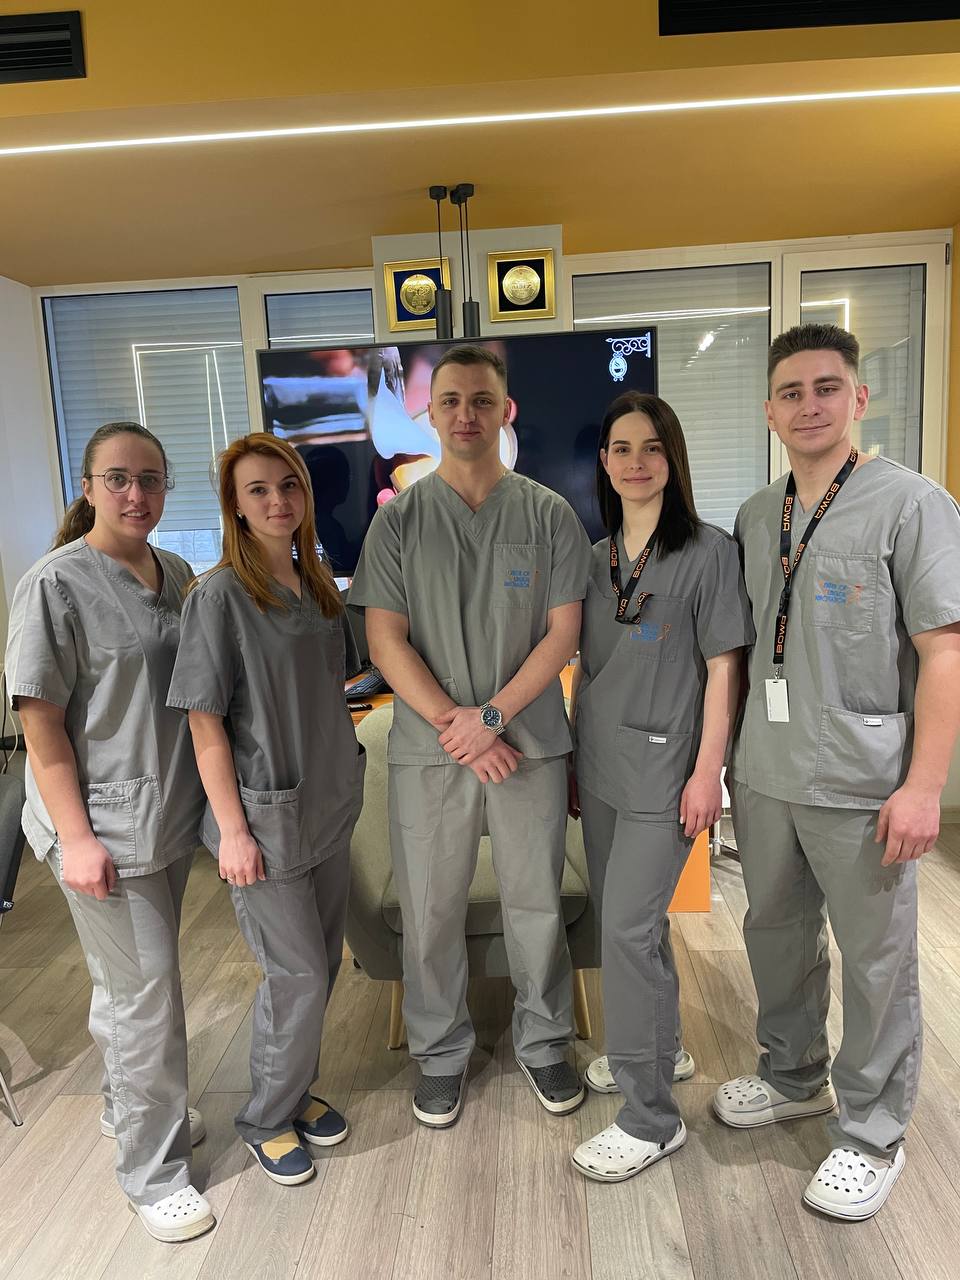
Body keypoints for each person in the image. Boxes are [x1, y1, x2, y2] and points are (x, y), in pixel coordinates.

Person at [715, 323, 960, 1221]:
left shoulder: (912, 505)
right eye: (791, 391)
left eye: (826, 388)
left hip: (864, 782)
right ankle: (793, 1076)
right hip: (767, 774)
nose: (808, 405)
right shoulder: (755, 515)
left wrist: (924, 786)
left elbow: (945, 652)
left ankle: (872, 1130)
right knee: (775, 936)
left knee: (876, 961)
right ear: (769, 410)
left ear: (858, 398)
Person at [349, 344, 592, 1127]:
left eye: (481, 400)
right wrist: (457, 725)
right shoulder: (399, 521)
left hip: (527, 746)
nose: (465, 415)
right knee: (430, 908)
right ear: (429, 413)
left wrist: (489, 719)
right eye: (450, 400)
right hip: (433, 751)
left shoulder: (548, 515)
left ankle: (544, 1041)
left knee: (536, 903)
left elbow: (562, 635)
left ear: (505, 411)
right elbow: (385, 638)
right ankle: (440, 1054)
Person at [4, 422, 213, 1243]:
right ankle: (153, 1173)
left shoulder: (178, 574)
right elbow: (41, 727)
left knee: (129, 985)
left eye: (151, 479)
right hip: (101, 827)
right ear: (88, 486)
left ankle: (128, 1104)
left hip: (162, 813)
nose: (136, 494)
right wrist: (78, 838)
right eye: (118, 478)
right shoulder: (54, 585)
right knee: (146, 996)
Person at [167, 433, 365, 1186]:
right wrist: (233, 832)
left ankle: (295, 1088)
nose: (277, 500)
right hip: (264, 820)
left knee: (323, 965)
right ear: (235, 506)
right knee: (297, 976)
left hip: (326, 805)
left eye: (289, 485)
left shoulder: (318, 587)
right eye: (258, 489)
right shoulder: (218, 596)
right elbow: (204, 721)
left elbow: (340, 683)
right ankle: (264, 1118)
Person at [568, 392, 753, 1183]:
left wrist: (710, 773)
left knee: (624, 931)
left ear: (672, 459)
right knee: (636, 931)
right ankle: (661, 1048)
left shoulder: (709, 553)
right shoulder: (593, 556)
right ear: (603, 462)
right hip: (601, 766)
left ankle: (650, 1119)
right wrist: (573, 762)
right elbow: (587, 667)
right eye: (621, 448)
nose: (636, 462)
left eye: (651, 447)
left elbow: (724, 670)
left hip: (667, 773)